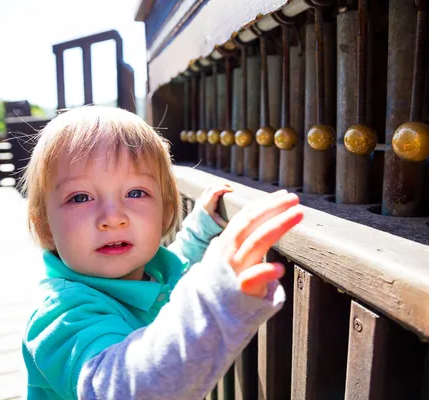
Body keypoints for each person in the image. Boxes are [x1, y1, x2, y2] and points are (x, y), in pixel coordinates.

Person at [21, 106, 303, 399]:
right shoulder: (61, 317)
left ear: (166, 210)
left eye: (135, 193)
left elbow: (169, 279)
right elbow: (122, 389)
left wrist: (199, 233)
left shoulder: (144, 273)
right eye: (80, 197)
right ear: (44, 226)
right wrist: (212, 303)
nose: (113, 217)